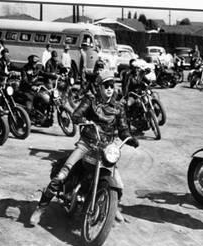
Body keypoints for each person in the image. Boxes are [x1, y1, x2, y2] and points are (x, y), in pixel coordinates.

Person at [30, 70, 139, 225]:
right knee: (62, 175)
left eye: (111, 85)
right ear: (99, 87)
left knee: (119, 185)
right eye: (106, 85)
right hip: (87, 144)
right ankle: (41, 208)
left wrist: (130, 138)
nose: (109, 89)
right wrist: (85, 120)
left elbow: (123, 129)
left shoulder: (118, 107)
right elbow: (76, 115)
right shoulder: (91, 99)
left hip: (105, 147)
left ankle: (112, 207)